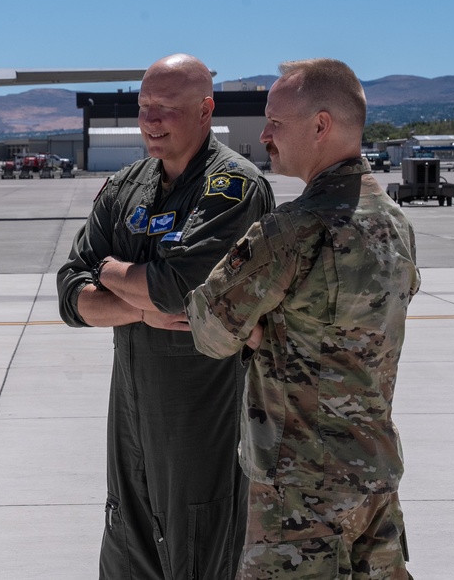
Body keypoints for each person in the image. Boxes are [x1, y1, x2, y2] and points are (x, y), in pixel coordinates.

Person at [186, 59, 418, 579]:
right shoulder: (395, 225)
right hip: (374, 479)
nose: (264, 135)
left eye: (275, 122)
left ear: (320, 126)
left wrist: (254, 328)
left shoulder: (289, 233)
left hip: (300, 497)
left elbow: (208, 329)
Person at [57, 53, 275, 579]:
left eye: (167, 108)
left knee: (200, 555)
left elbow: (177, 290)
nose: (151, 120)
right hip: (131, 419)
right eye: (144, 106)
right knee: (128, 557)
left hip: (201, 420)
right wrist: (139, 310)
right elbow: (69, 295)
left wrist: (107, 268)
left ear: (205, 109)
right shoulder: (124, 186)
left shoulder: (232, 189)